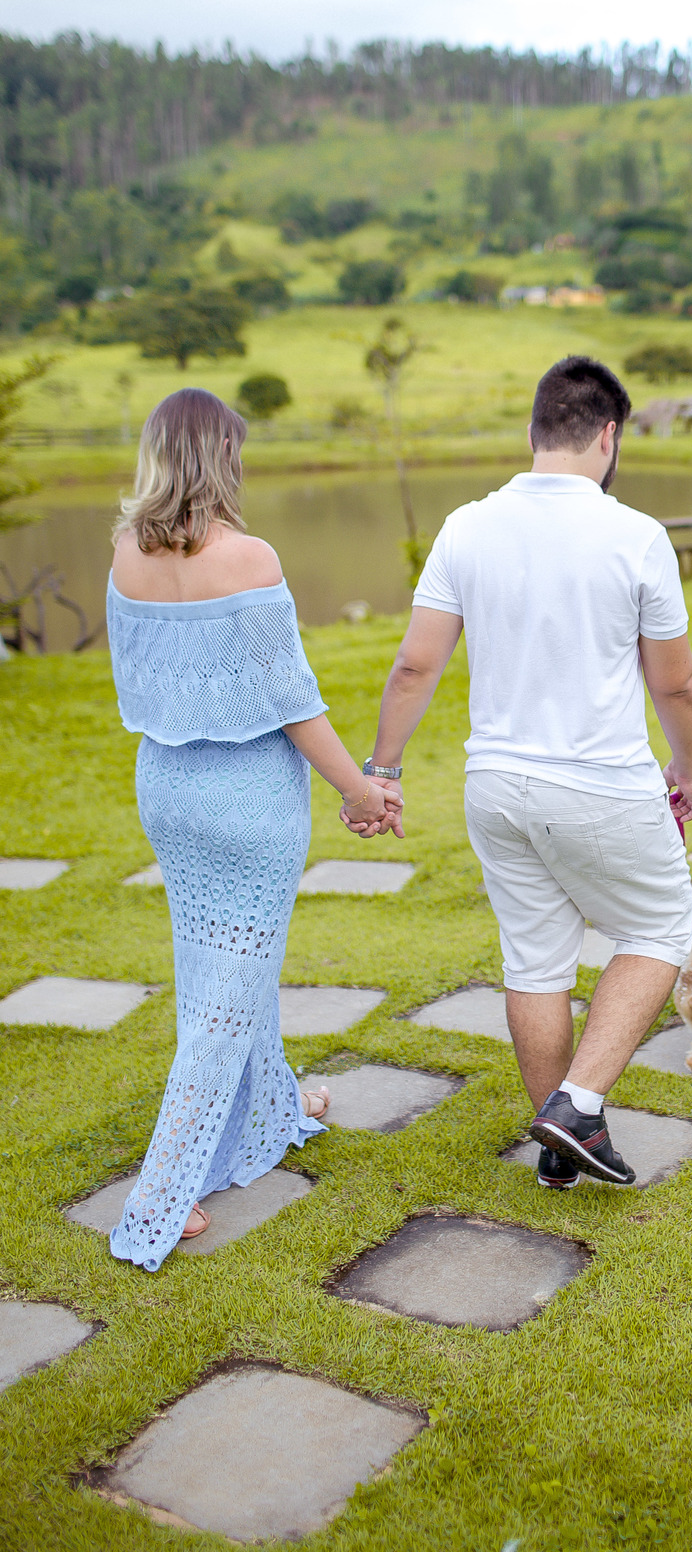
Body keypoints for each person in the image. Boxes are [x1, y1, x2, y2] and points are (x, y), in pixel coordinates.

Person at [355, 355, 692, 1187]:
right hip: (600, 783)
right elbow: (677, 681)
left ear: (534, 432)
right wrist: (685, 768)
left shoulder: (466, 525)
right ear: (609, 436)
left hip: (496, 790)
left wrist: (382, 770)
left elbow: (414, 666)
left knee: (536, 962)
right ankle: (577, 1105)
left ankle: (559, 1146)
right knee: (660, 927)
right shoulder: (637, 535)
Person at [107, 389, 399, 1270]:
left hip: (167, 787)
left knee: (224, 966)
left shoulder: (125, 553)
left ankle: (272, 1105)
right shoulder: (252, 557)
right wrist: (361, 790)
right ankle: (162, 1197)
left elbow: (150, 680)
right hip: (245, 803)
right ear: (221, 456)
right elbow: (292, 701)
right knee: (223, 999)